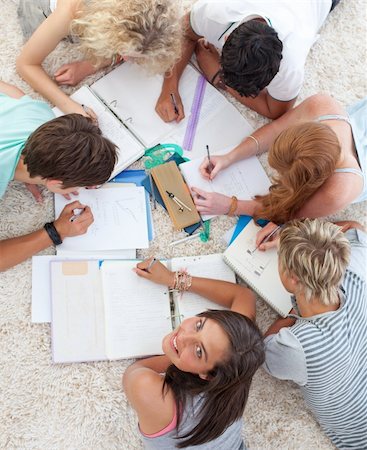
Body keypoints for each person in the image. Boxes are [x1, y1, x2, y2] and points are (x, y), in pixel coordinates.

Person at [123, 258, 265, 449]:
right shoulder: (240, 358)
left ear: (207, 375)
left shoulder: (149, 390)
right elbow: (243, 295)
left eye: (198, 351)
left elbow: (134, 372)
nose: (183, 336)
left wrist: (173, 356)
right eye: (199, 324)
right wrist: (173, 279)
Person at [194, 94, 366, 235]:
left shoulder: (340, 190)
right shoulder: (322, 105)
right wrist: (229, 157)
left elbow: (292, 213)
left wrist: (232, 206)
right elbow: (276, 129)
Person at [262, 218, 367, 449]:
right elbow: (356, 228)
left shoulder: (297, 347)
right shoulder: (357, 269)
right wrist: (312, 242)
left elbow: (266, 349)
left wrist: (293, 312)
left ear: (293, 279)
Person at [0, 80, 117, 271]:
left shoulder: (39, 114)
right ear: (55, 184)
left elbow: (11, 92)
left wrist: (27, 169)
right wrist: (56, 231)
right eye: (81, 185)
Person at [155, 0, 339, 121]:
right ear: (225, 38)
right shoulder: (216, 12)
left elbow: (275, 110)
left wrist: (219, 77)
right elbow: (184, 34)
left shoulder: (290, 66)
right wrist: (169, 87)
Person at [16, 0, 182, 117]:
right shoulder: (73, 10)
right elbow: (26, 64)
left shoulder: (156, 12)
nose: (124, 58)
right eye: (125, 53)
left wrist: (88, 66)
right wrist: (71, 107)